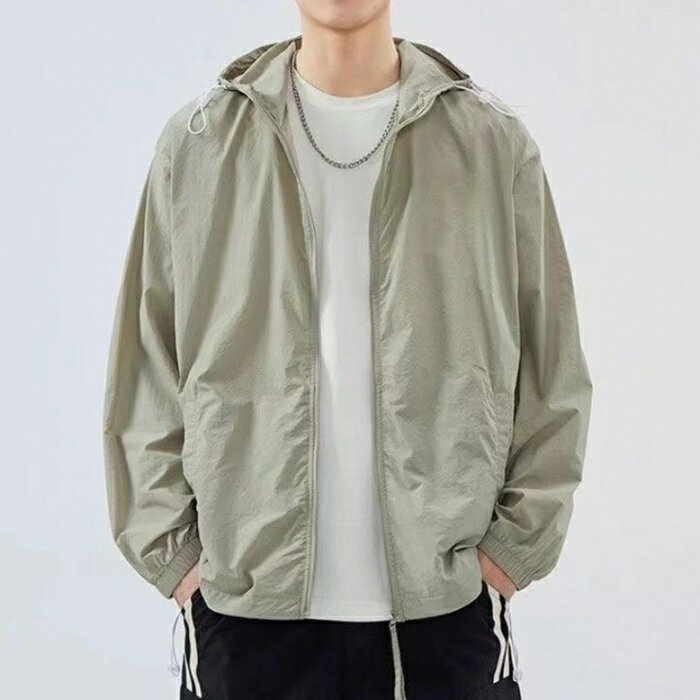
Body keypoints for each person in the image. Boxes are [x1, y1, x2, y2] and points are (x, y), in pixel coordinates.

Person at [103, 1, 592, 698]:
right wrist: (178, 560)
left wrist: (510, 552)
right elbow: (144, 366)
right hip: (245, 610)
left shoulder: (490, 143)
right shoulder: (201, 144)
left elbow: (554, 370)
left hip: (444, 610)